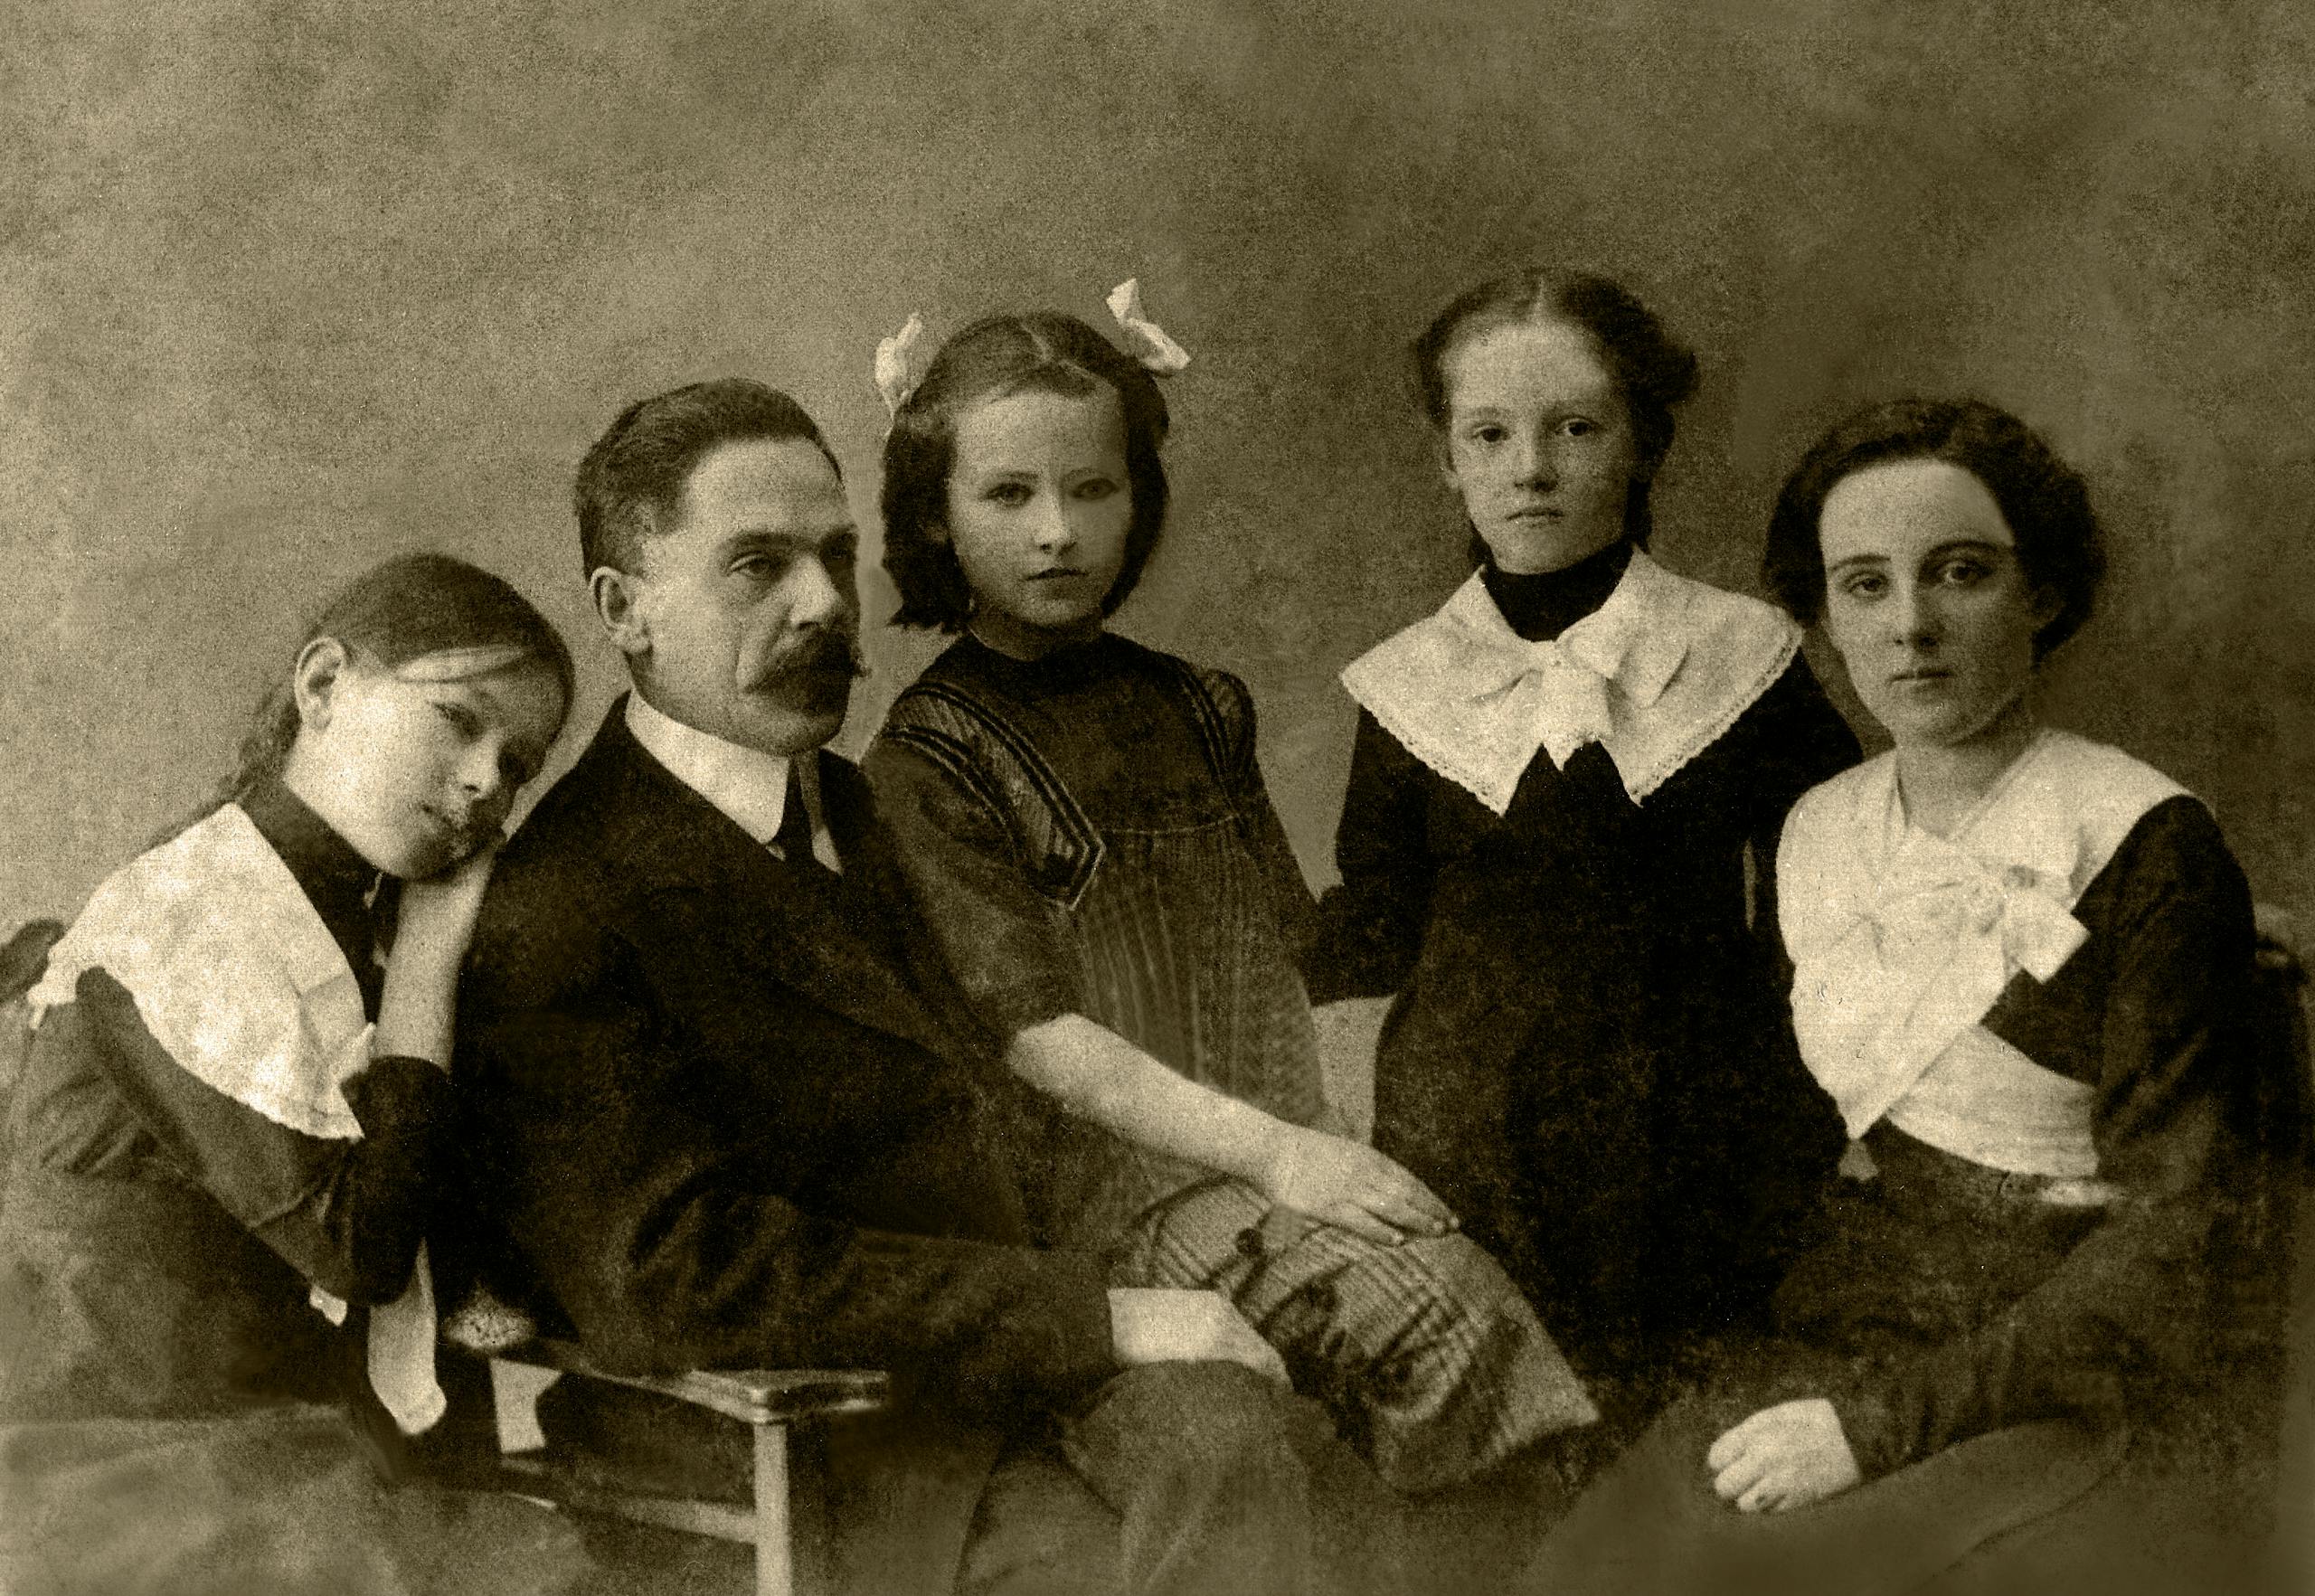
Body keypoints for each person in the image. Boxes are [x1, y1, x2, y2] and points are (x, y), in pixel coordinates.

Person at [454, 377, 1324, 1596]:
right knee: (1172, 1522)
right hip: (792, 1449)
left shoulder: (849, 805)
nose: (822, 602)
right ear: (625, 609)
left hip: (983, 1378)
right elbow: (676, 1278)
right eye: (757, 565)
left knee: (1288, 1434)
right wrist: (1098, 1318)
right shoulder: (565, 900)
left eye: (836, 555)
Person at [1526, 397, 2299, 1594]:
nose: (1911, 626)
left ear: (2042, 593)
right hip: (1853, 1332)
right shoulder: (1818, 829)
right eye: (1865, 585)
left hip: (2070, 1365)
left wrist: (1877, 1427)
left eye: (1961, 573)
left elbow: (2174, 1233)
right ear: (1825, 614)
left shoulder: (2148, 841)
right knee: (1591, 1570)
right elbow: (1783, 1138)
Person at [860, 288, 1595, 1501]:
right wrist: (1287, 1158)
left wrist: (1351, 1139)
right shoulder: (931, 758)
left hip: (1265, 1160)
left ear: (1138, 497)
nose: (1057, 532)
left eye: (1092, 489)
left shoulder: (1199, 705)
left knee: (1510, 1235)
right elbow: (1041, 1042)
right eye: (1008, 495)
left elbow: (1294, 956)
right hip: (1100, 1205)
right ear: (935, 514)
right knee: (1441, 1310)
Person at [1304, 268, 1860, 1421]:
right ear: (1445, 460)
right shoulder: (1406, 685)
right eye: (1489, 435)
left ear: (1642, 444)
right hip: (1468, 1147)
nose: (1530, 469)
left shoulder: (1740, 654)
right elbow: (1373, 922)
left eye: (1574, 428)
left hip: (1702, 1133)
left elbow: (1844, 884)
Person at [0, 554, 584, 1596]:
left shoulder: (351, 911)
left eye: (517, 764)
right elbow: (357, 1247)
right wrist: (428, 965)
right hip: (116, 1454)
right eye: (457, 721)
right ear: (322, 687)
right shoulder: (182, 916)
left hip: (270, 1433)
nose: (485, 781)